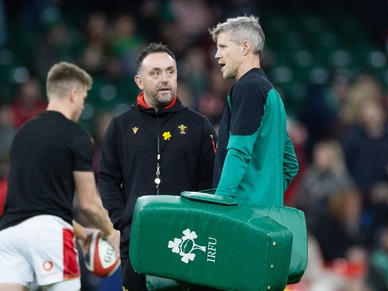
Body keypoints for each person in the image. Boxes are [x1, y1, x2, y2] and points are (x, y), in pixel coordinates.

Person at [98, 42, 217, 290]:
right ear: (139, 81)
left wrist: (197, 222)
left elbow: (210, 183)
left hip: (187, 241)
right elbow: (107, 177)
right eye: (156, 73)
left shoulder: (199, 126)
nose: (165, 79)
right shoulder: (120, 126)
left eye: (170, 71)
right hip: (137, 240)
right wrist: (122, 220)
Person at [0, 62, 120, 291]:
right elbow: (88, 204)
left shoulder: (22, 134)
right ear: (74, 94)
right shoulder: (77, 135)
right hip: (50, 237)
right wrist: (111, 232)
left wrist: (82, 232)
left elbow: (32, 207)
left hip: (8, 236)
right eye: (84, 98)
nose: (83, 105)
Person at [208, 15, 298, 205]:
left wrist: (220, 203)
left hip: (243, 216)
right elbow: (290, 164)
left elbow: (239, 152)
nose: (217, 54)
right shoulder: (271, 93)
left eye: (223, 47)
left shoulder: (248, 88)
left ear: (245, 47)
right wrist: (265, 196)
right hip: (266, 215)